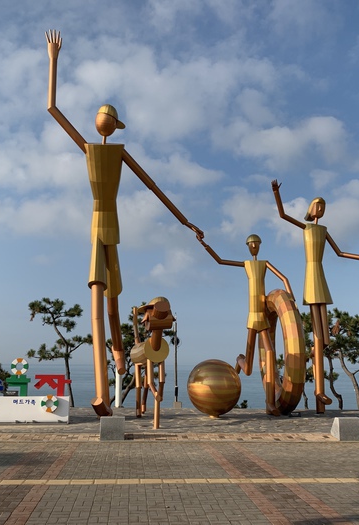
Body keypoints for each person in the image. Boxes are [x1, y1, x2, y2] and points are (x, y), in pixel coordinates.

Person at [45, 29, 203, 416]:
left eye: (109, 119)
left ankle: (118, 351)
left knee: (113, 306)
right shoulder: (86, 147)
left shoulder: (119, 153)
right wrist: (53, 61)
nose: (104, 122)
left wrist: (187, 224)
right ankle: (102, 393)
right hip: (97, 224)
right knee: (97, 294)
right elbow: (53, 109)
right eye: (103, 118)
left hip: (112, 226)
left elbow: (155, 188)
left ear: (114, 127)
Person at [271, 182, 359, 413]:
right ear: (311, 209)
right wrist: (277, 193)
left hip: (321, 277)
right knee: (317, 335)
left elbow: (340, 253)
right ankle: (318, 391)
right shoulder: (305, 227)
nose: (321, 210)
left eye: (323, 207)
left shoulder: (324, 230)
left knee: (323, 340)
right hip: (310, 276)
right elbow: (283, 215)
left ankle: (317, 366)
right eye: (318, 206)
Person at [198, 234, 294, 416]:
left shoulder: (264, 263)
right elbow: (220, 261)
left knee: (271, 353)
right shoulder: (246, 264)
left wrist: (290, 297)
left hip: (263, 317)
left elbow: (283, 277)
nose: (254, 247)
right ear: (248, 246)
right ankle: (239, 361)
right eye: (251, 244)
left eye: (256, 244)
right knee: (248, 369)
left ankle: (270, 404)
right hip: (252, 318)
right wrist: (205, 244)